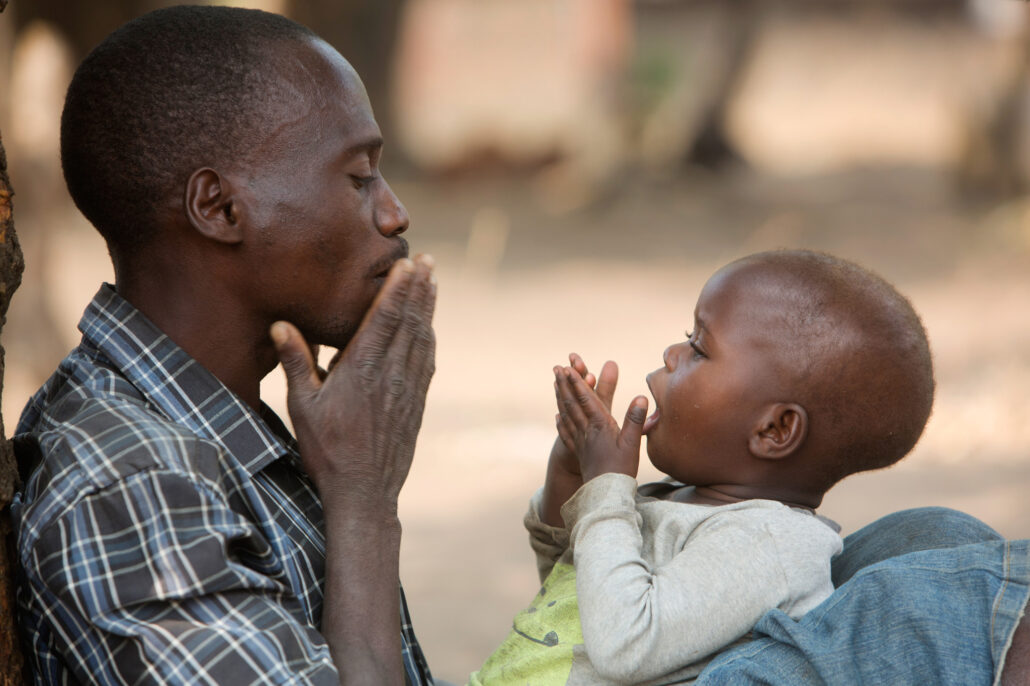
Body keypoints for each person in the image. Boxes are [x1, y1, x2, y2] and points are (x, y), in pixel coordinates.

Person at [12, 6, 436, 685]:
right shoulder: (132, 481)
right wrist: (364, 504)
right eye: (359, 177)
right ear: (218, 208)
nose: (394, 214)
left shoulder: (215, 429)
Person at [469, 250, 936, 685]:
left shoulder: (769, 548)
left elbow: (625, 645)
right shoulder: (680, 499)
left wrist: (607, 489)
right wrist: (572, 471)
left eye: (699, 348)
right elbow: (566, 589)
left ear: (774, 429)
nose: (672, 353)